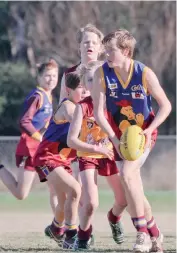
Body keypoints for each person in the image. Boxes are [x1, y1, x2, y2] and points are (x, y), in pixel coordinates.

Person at [91, 29, 172, 253]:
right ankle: (155, 233)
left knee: (128, 175)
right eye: (105, 50)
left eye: (111, 50)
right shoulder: (102, 74)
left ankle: (142, 235)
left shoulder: (144, 73)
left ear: (126, 51)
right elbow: (98, 113)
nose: (106, 54)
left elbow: (166, 106)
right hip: (117, 136)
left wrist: (149, 131)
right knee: (132, 185)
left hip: (142, 134)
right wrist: (114, 139)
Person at [67, 61, 127, 249]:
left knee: (124, 200)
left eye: (100, 77)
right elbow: (71, 141)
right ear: (84, 84)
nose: (97, 81)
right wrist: (96, 149)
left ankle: (114, 218)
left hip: (110, 155)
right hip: (89, 155)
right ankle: (83, 239)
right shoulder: (82, 108)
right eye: (92, 79)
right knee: (91, 203)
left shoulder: (113, 102)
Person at [33, 71, 89, 249]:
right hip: (47, 158)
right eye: (81, 88)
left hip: (62, 160)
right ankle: (70, 236)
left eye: (89, 88)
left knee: (65, 200)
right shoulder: (69, 107)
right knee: (75, 189)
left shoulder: (84, 108)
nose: (86, 92)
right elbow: (80, 128)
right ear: (68, 90)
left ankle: (56, 228)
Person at [0, 59, 58, 212]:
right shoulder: (37, 96)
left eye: (54, 76)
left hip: (42, 151)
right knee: (21, 194)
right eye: (47, 76)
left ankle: (60, 226)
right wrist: (40, 138)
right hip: (29, 149)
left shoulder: (48, 96)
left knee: (55, 185)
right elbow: (24, 122)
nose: (51, 79)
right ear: (39, 78)